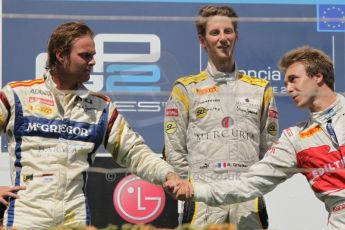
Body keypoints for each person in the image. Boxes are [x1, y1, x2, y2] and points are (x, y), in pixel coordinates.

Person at [0, 21, 186, 229]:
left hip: (74, 218)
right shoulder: (18, 95)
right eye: (85, 55)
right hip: (26, 218)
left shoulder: (99, 107)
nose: (93, 62)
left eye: (93, 55)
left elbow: (135, 152)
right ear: (60, 55)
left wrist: (168, 175)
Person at [172, 46, 345, 230]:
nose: (288, 89)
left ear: (318, 77)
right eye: (285, 83)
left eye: (293, 79)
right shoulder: (295, 139)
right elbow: (248, 184)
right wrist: (196, 190)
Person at [163, 5, 278, 229]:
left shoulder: (260, 89)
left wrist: (254, 182)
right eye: (215, 33)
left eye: (228, 31)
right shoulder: (185, 88)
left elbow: (270, 149)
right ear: (202, 41)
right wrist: (190, 187)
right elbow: (174, 149)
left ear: (236, 36)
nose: (223, 38)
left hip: (247, 195)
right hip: (202, 195)